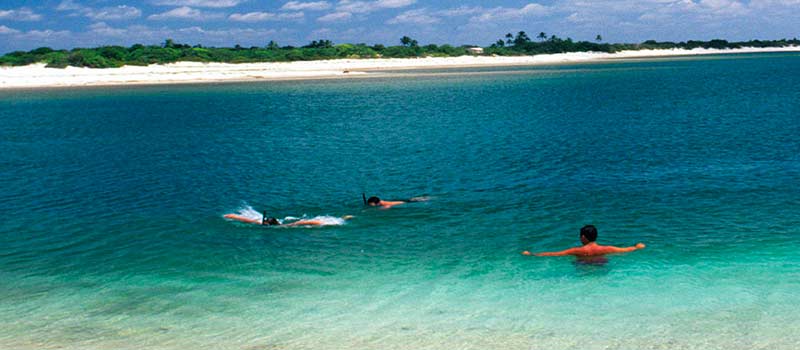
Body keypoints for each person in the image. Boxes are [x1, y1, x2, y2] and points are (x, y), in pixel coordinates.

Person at [522, 225, 645, 257]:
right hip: (600, 265)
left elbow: (555, 254)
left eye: (580, 236)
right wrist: (637, 246)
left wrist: (532, 254)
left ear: (584, 237)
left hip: (583, 267)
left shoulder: (577, 250)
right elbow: (626, 250)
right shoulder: (606, 249)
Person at [224, 213, 353, 226]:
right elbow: (245, 220)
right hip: (320, 220)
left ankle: (344, 217)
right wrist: (230, 216)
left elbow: (304, 222)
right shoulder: (257, 222)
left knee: (337, 220)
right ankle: (344, 217)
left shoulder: (285, 226)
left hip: (319, 221)